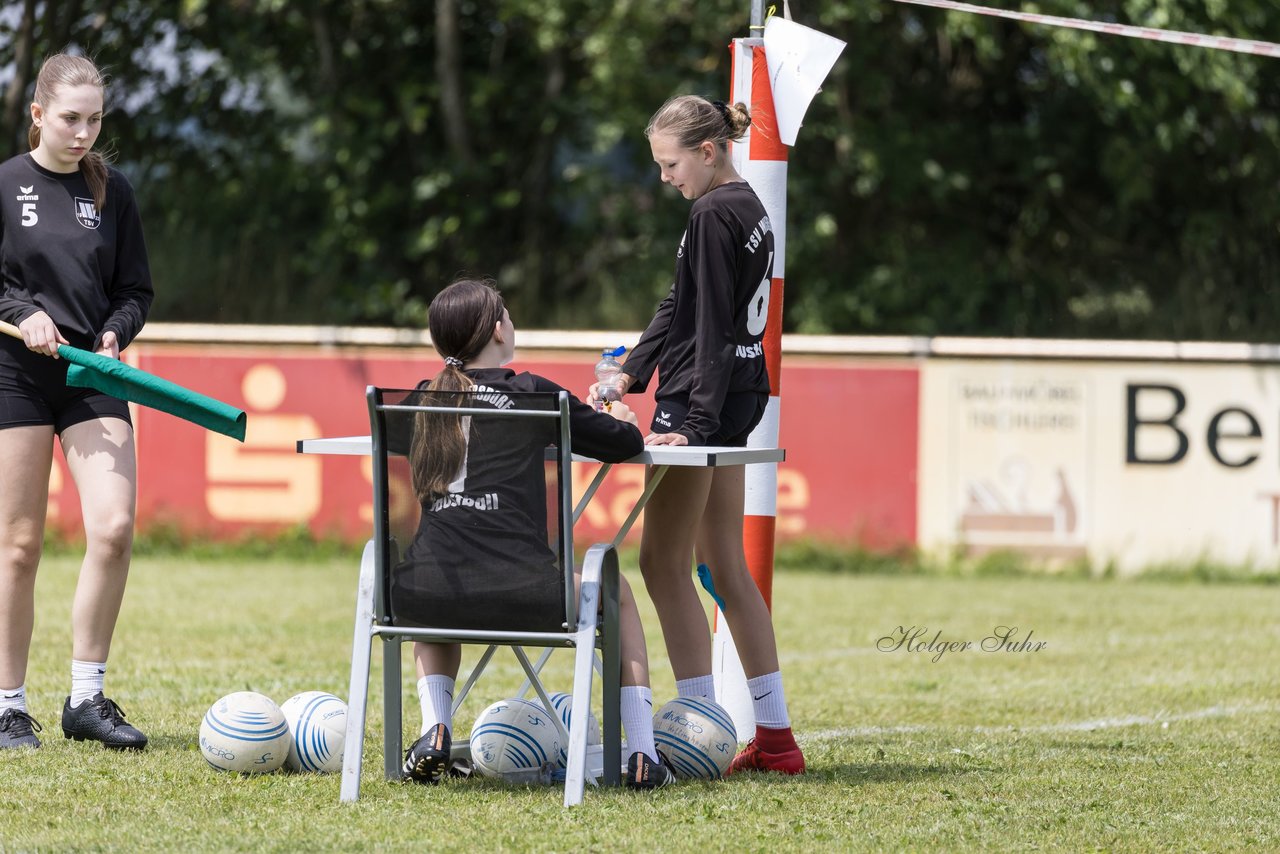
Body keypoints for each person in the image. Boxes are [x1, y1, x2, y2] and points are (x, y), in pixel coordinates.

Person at [588, 95, 804, 775]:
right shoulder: (746, 207)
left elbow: (707, 326)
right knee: (724, 569)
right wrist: (630, 373)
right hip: (739, 397)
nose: (664, 178)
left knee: (662, 565)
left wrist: (696, 425)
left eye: (670, 163)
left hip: (702, 407)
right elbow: (681, 304)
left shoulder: (711, 212)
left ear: (708, 151)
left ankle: (694, 737)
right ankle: (776, 740)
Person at [395, 277, 674, 790]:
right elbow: (621, 442)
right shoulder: (533, 393)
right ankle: (641, 752)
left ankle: (434, 728)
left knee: (440, 583)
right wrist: (624, 415)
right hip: (527, 595)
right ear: (500, 328)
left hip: (424, 592)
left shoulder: (419, 399)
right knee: (620, 594)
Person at [0, 54, 153, 751]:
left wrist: (118, 333)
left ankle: (86, 700)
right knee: (19, 546)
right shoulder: (4, 184)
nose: (83, 132)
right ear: (38, 115)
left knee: (115, 527)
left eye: (94, 119)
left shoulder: (112, 189)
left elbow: (134, 290)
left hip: (93, 374)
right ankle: (7, 707)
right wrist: (22, 311)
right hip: (15, 374)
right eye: (70, 118)